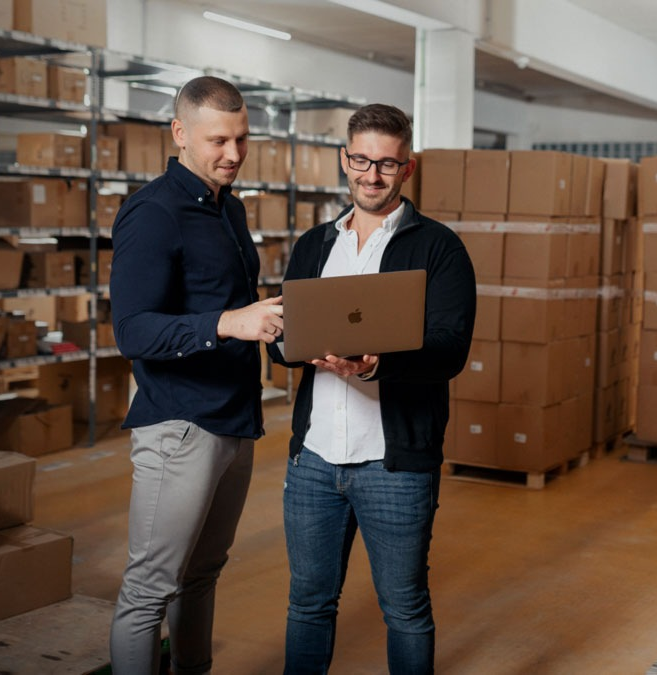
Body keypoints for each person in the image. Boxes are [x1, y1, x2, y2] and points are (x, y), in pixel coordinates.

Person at [269, 103, 476, 674]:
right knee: (308, 605)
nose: (372, 175)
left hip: (395, 465)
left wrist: (374, 365)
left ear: (407, 169)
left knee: (404, 609)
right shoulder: (314, 246)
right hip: (313, 460)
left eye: (387, 163)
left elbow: (450, 348)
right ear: (345, 159)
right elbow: (281, 336)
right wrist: (287, 344)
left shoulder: (438, 248)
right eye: (361, 160)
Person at [108, 75, 284, 675]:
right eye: (217, 141)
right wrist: (229, 323)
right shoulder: (153, 212)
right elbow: (132, 332)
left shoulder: (228, 208)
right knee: (150, 589)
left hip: (235, 418)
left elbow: (230, 304)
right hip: (180, 425)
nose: (232, 154)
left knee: (204, 574)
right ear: (180, 133)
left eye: (241, 139)